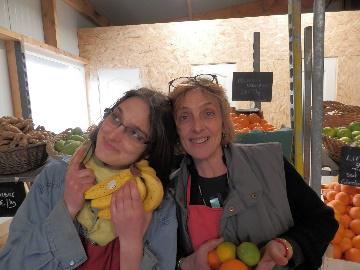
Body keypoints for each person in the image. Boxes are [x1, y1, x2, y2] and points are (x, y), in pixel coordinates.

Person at [168, 74, 338, 270]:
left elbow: (322, 221)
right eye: (185, 116)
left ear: (223, 122)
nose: (197, 127)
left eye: (208, 113)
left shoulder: (269, 163)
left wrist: (286, 246)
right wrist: (185, 263)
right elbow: (164, 254)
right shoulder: (172, 189)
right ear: (176, 128)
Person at [0, 88, 178, 270]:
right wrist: (67, 209)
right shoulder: (54, 178)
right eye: (116, 117)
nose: (113, 135)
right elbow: (9, 264)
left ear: (149, 152)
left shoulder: (158, 204)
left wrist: (131, 243)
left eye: (135, 133)